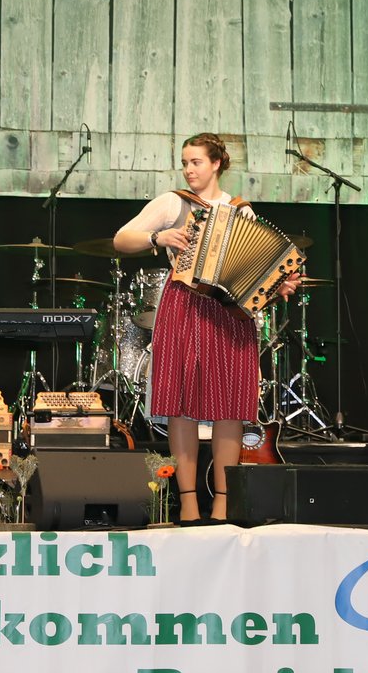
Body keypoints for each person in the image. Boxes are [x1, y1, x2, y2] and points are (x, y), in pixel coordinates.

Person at [113, 133, 301, 524]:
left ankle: (222, 506)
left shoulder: (241, 211)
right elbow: (121, 239)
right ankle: (188, 505)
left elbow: (253, 276)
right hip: (183, 305)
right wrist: (157, 237)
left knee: (229, 405)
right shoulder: (174, 203)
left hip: (229, 313)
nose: (188, 169)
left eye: (195, 162)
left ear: (216, 164)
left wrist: (277, 286)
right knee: (181, 404)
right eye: (184, 162)